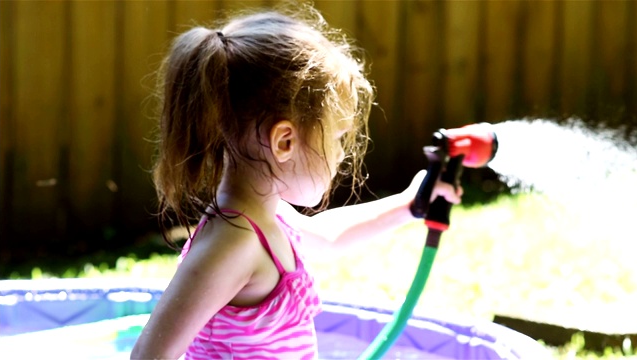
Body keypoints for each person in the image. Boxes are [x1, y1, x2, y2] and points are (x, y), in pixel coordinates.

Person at [130, 3, 461, 359]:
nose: (340, 155)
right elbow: (150, 355)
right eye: (336, 139)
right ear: (284, 142)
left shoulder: (269, 217)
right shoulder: (232, 244)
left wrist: (410, 204)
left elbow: (329, 236)